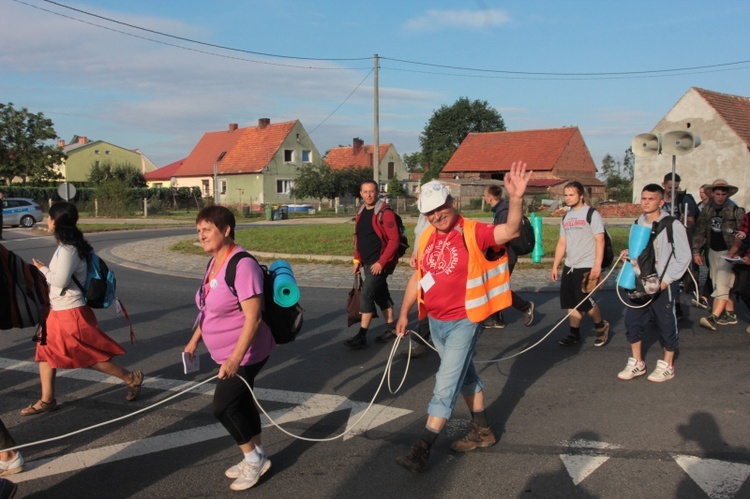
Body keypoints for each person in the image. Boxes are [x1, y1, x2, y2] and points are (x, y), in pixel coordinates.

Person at [393, 162, 531, 473]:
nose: (436, 216)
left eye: (440, 208)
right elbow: (419, 277)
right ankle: (483, 432)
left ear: (451, 203)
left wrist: (517, 199)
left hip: (464, 321)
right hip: (437, 322)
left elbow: (509, 231)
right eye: (429, 212)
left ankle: (422, 447)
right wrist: (404, 313)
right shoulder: (428, 236)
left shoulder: (474, 231)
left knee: (445, 383)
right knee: (465, 376)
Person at [184, 206, 275, 492]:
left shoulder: (242, 264)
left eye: (207, 230)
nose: (202, 236)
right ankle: (257, 455)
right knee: (242, 402)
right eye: (199, 231)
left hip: (246, 352)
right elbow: (209, 306)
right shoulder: (215, 262)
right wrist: (194, 339)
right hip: (226, 353)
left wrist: (235, 358)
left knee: (223, 407)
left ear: (226, 230)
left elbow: (254, 317)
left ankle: (253, 459)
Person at [23, 202, 142, 415]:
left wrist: (42, 270)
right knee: (45, 352)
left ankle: (130, 377)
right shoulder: (68, 246)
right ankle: (47, 399)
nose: (47, 221)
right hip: (58, 311)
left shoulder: (69, 249)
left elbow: (59, 281)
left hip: (70, 312)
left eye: (50, 218)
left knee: (88, 356)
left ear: (56, 222)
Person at [617, 184, 691, 382]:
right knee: (632, 321)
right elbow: (639, 251)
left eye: (651, 199)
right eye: (643, 198)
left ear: (661, 201)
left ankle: (668, 364)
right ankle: (637, 362)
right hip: (639, 281)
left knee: (665, 322)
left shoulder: (672, 224)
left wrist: (666, 281)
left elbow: (684, 256)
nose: (646, 202)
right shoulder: (638, 222)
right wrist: (628, 254)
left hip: (662, 283)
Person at [551, 181, 610, 347]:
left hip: (587, 264)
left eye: (571, 195)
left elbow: (600, 240)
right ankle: (574, 333)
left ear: (581, 195)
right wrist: (556, 265)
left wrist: (597, 266)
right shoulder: (566, 217)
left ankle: (601, 327)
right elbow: (562, 242)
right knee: (570, 301)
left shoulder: (591, 214)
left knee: (584, 300)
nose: (568, 198)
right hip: (570, 265)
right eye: (566, 195)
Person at [344, 180, 400, 350]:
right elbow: (359, 237)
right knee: (381, 295)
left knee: (366, 295)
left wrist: (381, 262)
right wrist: (356, 259)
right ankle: (393, 329)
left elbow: (394, 240)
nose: (369, 195)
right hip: (367, 262)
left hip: (380, 264)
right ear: (361, 194)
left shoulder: (385, 213)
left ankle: (361, 335)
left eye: (372, 191)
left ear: (377, 193)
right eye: (365, 192)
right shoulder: (361, 211)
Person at [693, 179, 745, 330]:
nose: (720, 197)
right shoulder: (707, 210)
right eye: (717, 194)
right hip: (712, 251)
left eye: (723, 194)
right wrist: (696, 252)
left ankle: (713, 317)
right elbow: (699, 232)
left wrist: (737, 253)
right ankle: (730, 314)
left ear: (728, 194)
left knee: (722, 282)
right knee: (717, 282)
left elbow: (743, 234)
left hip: (729, 252)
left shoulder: (736, 210)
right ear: (712, 194)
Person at [481, 184, 535, 329]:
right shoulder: (500, 210)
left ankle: (525, 307)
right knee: (494, 286)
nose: (484, 197)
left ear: (490, 197)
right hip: (501, 254)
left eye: (485, 195)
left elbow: (503, 235)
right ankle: (496, 318)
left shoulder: (503, 211)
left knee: (498, 288)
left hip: (506, 255)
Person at [661, 172, 699, 319]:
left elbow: (692, 221)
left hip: (679, 242)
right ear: (664, 185)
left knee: (675, 274)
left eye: (676, 188)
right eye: (670, 187)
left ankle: (676, 305)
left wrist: (684, 221)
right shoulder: (660, 201)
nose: (672, 191)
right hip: (662, 243)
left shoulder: (685, 200)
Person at [408, 210, 432, 358]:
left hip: (432, 267)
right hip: (421, 264)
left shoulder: (436, 217)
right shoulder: (422, 216)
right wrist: (414, 253)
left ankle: (421, 342)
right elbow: (419, 236)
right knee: (423, 300)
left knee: (426, 302)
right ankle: (422, 341)